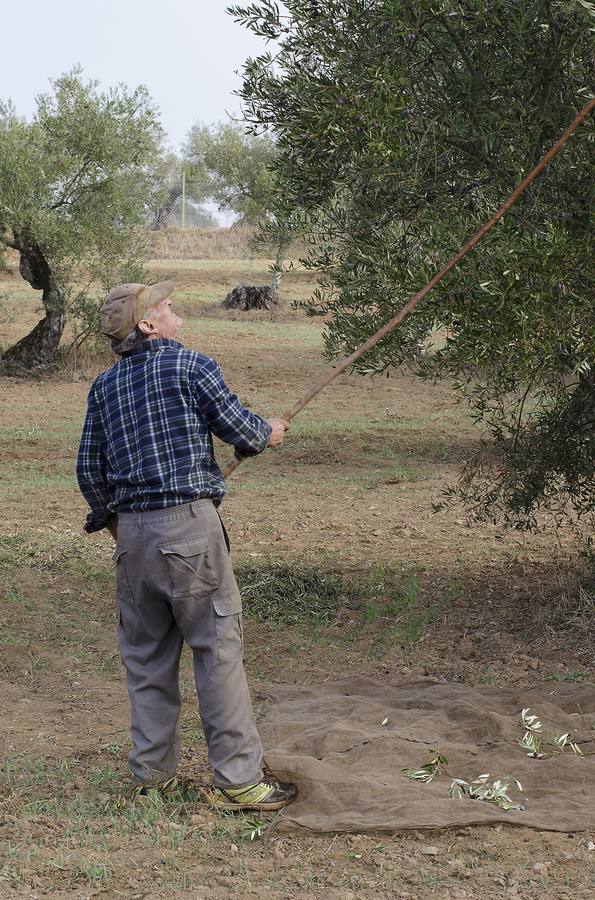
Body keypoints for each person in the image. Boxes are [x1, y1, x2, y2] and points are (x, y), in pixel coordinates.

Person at [76, 279, 296, 811]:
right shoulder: (190, 365)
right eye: (166, 305)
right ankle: (240, 781)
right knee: (217, 651)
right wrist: (270, 431)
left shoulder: (103, 388)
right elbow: (243, 434)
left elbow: (89, 472)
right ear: (149, 325)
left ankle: (152, 778)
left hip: (131, 537)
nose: (175, 309)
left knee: (147, 658)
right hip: (190, 530)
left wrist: (123, 528)